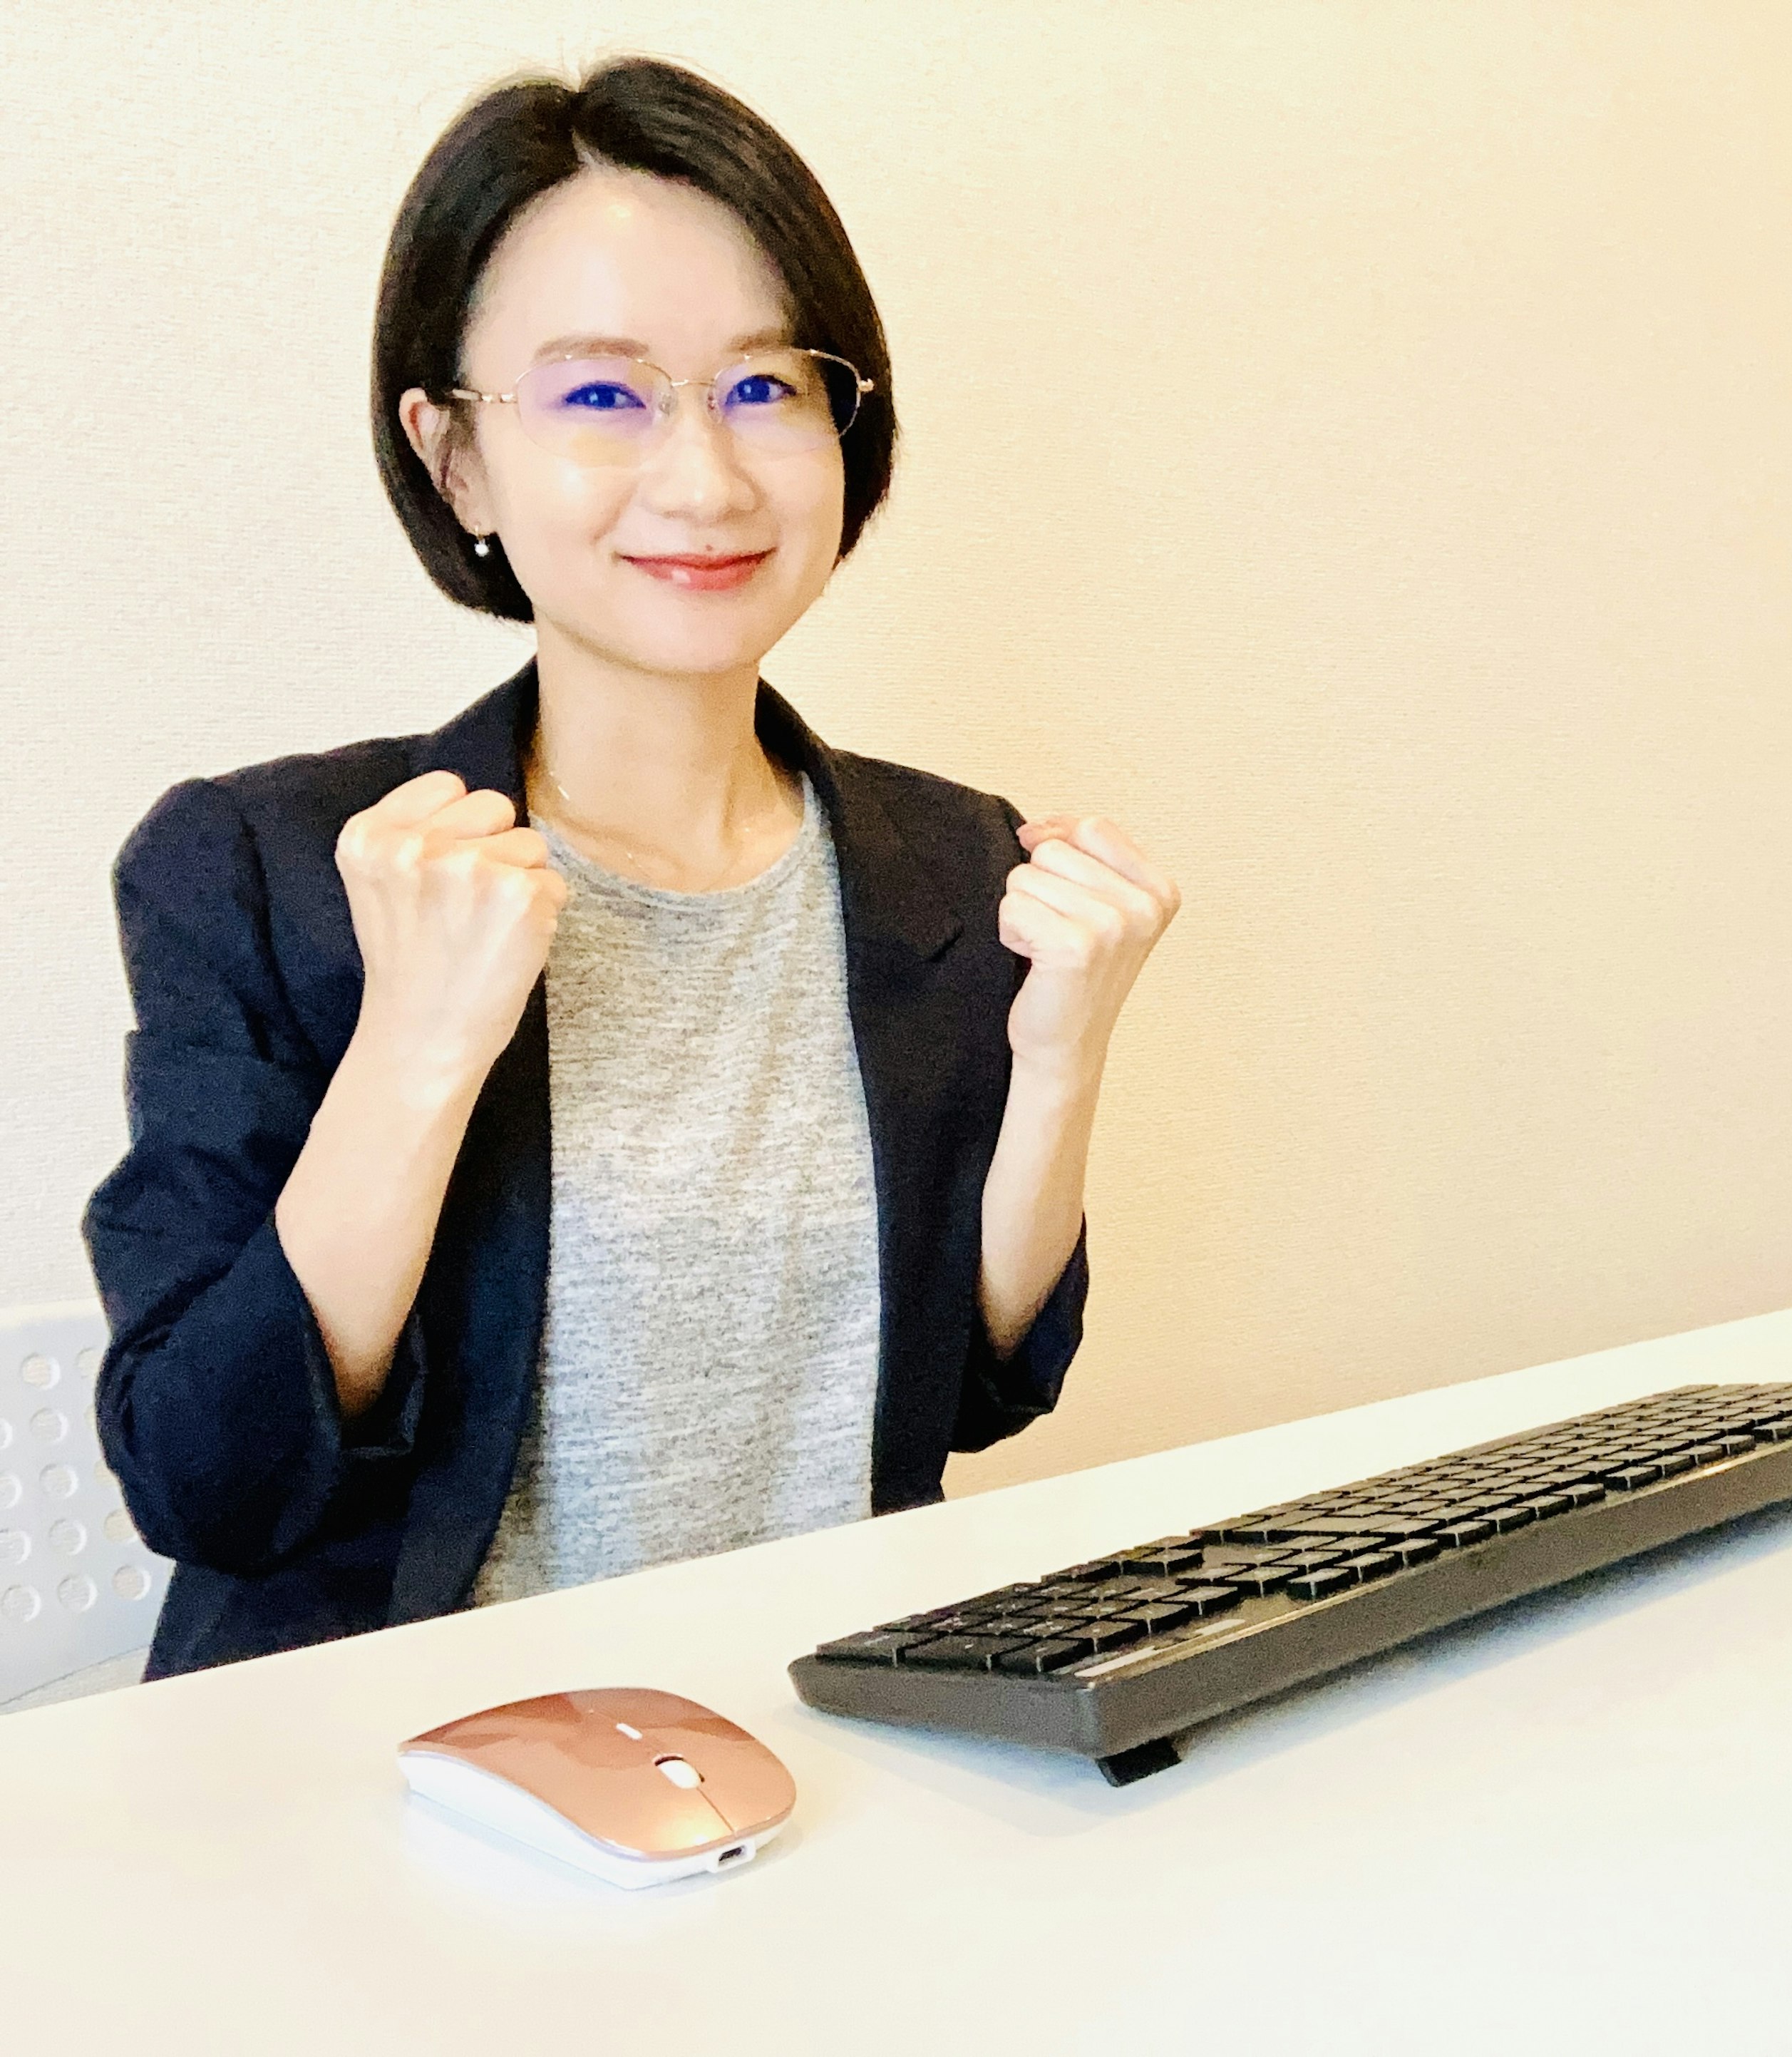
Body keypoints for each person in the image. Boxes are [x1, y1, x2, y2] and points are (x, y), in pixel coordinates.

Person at [81, 57, 1178, 1676]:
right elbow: (211, 1480)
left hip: (829, 1764)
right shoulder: (265, 869)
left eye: (765, 387)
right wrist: (415, 1051)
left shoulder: (946, 861)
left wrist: (1063, 1056)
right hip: (407, 1793)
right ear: (455, 457)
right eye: (601, 394)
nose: (707, 478)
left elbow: (979, 1392)